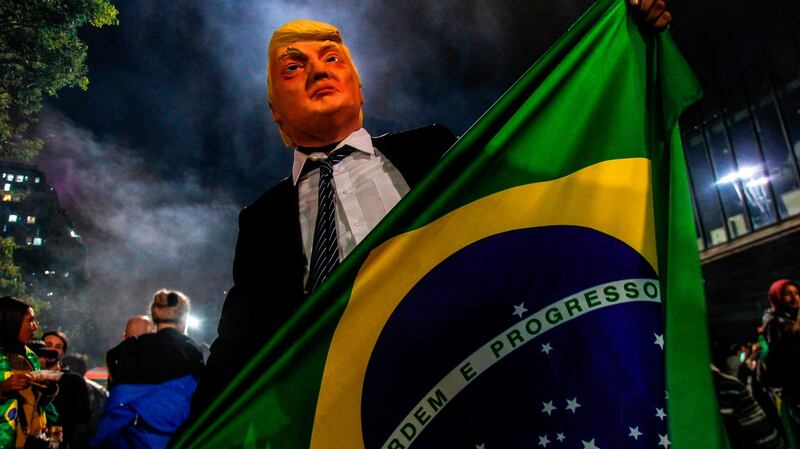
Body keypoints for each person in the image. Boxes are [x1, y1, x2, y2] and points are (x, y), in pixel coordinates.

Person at [188, 0, 673, 426]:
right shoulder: (260, 221)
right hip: (346, 418)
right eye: (293, 68)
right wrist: (193, 436)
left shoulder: (434, 151)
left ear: (358, 87)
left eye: (332, 59)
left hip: (471, 389)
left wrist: (627, 40)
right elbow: (236, 346)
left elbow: (536, 185)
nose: (318, 71)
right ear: (275, 111)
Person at [92, 290, 203, 449]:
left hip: (141, 441)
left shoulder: (135, 348)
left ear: (153, 319)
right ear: (184, 318)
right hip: (185, 440)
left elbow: (119, 407)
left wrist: (99, 442)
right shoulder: (195, 352)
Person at [0, 297, 59, 449]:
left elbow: (36, 405)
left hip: (29, 440)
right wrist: (2, 389)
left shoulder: (31, 356)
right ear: (12, 322)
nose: (35, 327)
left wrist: (48, 389)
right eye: (30, 320)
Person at [41, 331, 90, 449]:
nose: (52, 350)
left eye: (58, 347)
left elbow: (83, 418)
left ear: (63, 352)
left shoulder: (74, 381)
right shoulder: (30, 376)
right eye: (48, 345)